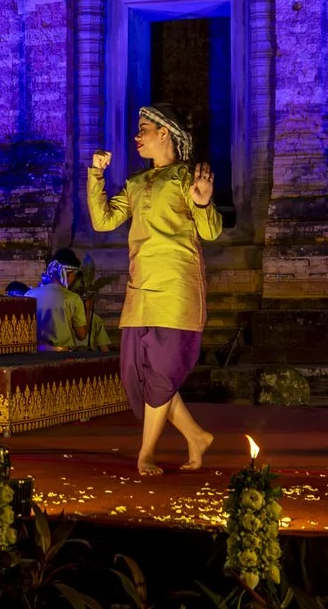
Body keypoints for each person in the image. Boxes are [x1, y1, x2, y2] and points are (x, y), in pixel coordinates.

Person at [87, 105, 221, 475]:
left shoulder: (185, 177)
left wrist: (203, 201)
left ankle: (145, 453)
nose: (137, 136)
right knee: (137, 373)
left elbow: (209, 232)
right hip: (139, 287)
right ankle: (195, 436)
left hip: (176, 286)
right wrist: (96, 175)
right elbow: (102, 221)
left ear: (164, 133)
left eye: (143, 128)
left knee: (161, 372)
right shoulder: (135, 184)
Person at [29, 247, 92, 351]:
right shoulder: (73, 299)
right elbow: (81, 335)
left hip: (35, 354)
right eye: (74, 275)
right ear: (68, 274)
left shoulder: (30, 295)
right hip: (63, 355)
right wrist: (87, 309)